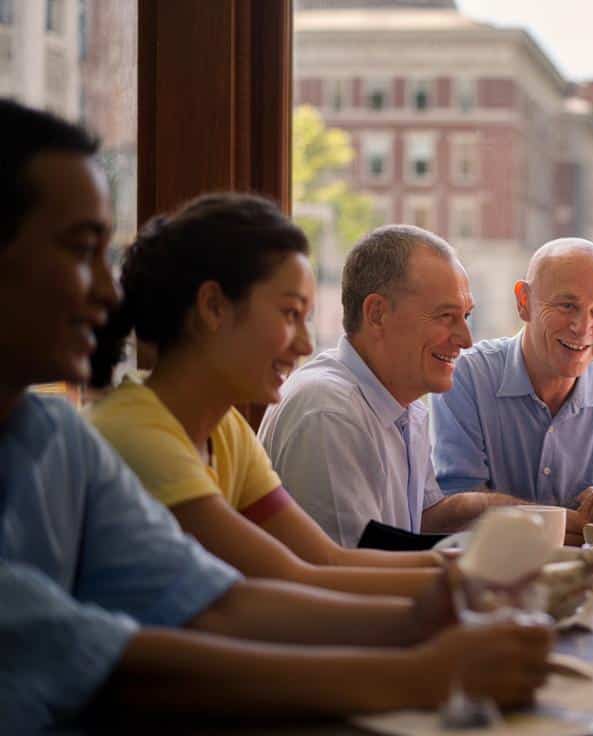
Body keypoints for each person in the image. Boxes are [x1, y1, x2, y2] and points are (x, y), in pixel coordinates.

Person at [0, 99, 549, 731]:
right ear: (213, 308)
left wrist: (437, 609)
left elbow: (227, 599)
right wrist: (426, 661)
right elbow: (109, 661)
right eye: (79, 249)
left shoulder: (62, 437)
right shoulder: (141, 433)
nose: (105, 290)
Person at [86, 194, 449, 597]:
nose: (306, 345)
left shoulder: (225, 431)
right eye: (290, 314)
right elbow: (290, 582)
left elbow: (326, 559)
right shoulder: (141, 437)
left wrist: (473, 569)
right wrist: (460, 587)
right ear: (213, 307)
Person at [259, 225, 518, 546]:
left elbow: (415, 522)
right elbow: (351, 574)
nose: (466, 340)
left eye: (466, 316)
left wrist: (502, 509)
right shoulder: (329, 412)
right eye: (445, 316)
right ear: (377, 314)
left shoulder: (406, 406)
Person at [430, 238, 593, 546]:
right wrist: (561, 521)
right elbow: (454, 513)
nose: (582, 326)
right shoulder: (466, 375)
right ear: (524, 302)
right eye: (567, 306)